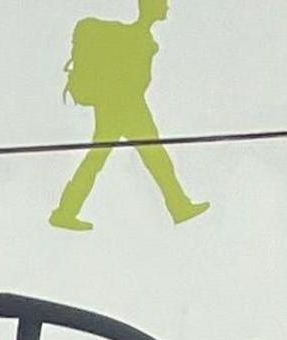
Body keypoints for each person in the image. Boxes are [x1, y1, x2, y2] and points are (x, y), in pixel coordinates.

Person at [53, 0, 211, 229]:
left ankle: (66, 211)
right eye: (163, 4)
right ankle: (178, 206)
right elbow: (139, 82)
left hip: (115, 106)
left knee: (101, 161)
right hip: (127, 108)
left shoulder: (133, 37)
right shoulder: (141, 40)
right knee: (155, 160)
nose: (167, 8)